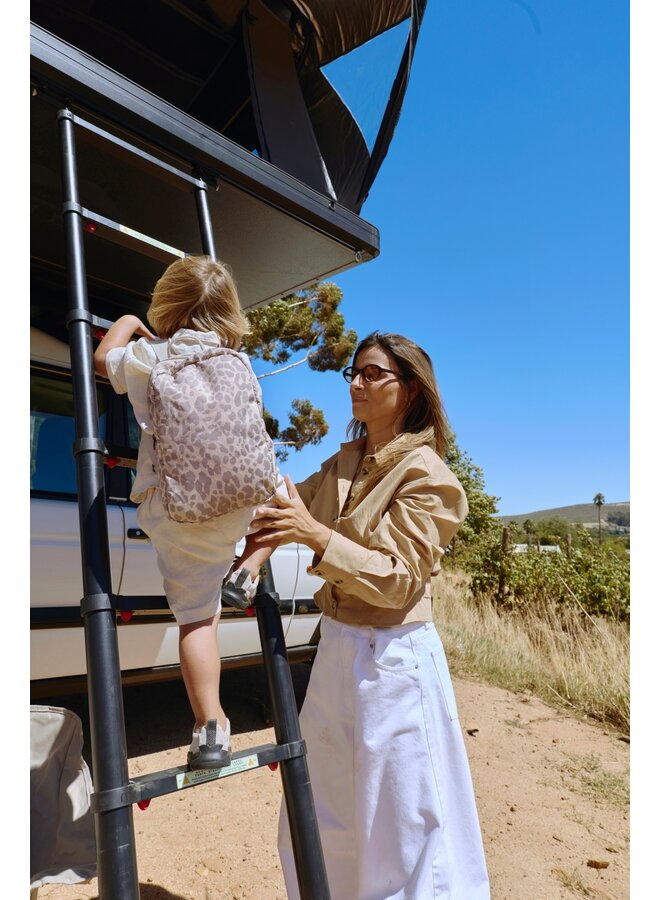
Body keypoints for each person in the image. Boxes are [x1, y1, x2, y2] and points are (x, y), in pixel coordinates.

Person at [244, 331, 491, 898]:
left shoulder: (429, 475)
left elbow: (399, 578)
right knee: (324, 809)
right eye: (352, 372)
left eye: (373, 373)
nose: (356, 382)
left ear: (409, 389)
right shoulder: (343, 463)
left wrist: (315, 536)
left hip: (394, 660)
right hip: (335, 648)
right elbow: (287, 505)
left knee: (403, 827)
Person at [93, 255, 282, 770]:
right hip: (240, 500)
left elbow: (101, 361)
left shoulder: (150, 356)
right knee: (282, 503)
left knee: (198, 620)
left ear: (165, 305)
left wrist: (131, 323)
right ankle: (250, 565)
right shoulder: (237, 362)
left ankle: (211, 727)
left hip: (179, 508)